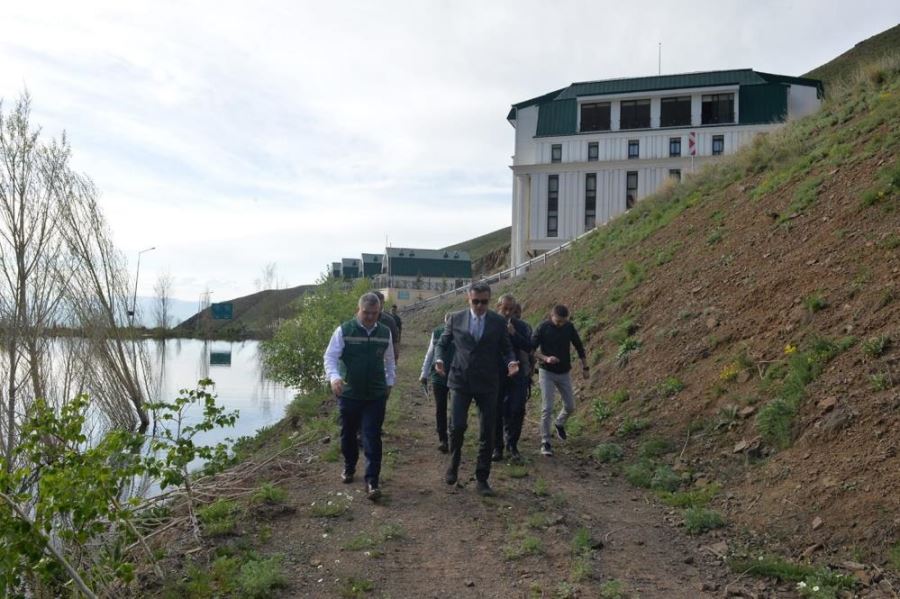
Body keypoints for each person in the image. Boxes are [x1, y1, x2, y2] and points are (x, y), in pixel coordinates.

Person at [435, 283, 518, 497]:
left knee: (487, 430)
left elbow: (506, 347)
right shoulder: (455, 318)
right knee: (458, 426)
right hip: (461, 380)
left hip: (488, 382)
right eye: (476, 301)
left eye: (484, 301)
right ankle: (453, 464)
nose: (480, 305)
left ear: (490, 301)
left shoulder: (498, 322)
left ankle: (482, 478)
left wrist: (511, 362)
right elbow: (442, 343)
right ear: (468, 300)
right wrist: (439, 359)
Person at [323, 292, 396, 501]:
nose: (370, 317)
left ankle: (372, 481)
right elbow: (330, 356)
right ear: (359, 310)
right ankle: (349, 466)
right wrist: (334, 377)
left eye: (375, 313)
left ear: (379, 311)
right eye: (366, 313)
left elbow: (390, 360)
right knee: (348, 434)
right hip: (350, 393)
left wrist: (389, 382)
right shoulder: (344, 330)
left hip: (375, 394)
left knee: (372, 435)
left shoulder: (384, 332)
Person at [531, 304, 588, 457]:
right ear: (552, 316)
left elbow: (579, 346)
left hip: (564, 372)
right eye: (558, 321)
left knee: (570, 406)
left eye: (563, 321)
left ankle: (559, 423)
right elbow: (531, 349)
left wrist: (585, 367)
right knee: (547, 407)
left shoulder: (569, 327)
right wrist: (545, 358)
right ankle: (545, 441)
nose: (561, 324)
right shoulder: (542, 327)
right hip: (546, 371)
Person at [492, 294, 532, 463]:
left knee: (517, 409)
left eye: (511, 309)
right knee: (495, 411)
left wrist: (514, 334)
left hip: (517, 373)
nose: (508, 312)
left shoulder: (522, 326)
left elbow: (529, 347)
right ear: (498, 307)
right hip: (495, 373)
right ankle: (497, 447)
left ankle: (512, 445)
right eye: (505, 309)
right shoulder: (490, 324)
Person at [420, 313, 453, 453]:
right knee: (441, 407)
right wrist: (424, 374)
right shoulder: (437, 332)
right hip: (438, 376)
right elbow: (430, 354)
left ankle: (453, 433)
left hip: (456, 376)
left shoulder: (462, 333)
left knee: (456, 409)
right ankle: (443, 439)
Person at [372, 290, 400, 360]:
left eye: (382, 303)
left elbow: (395, 342)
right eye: (380, 303)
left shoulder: (389, 321)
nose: (381, 306)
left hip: (383, 361)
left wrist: (394, 360)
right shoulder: (360, 320)